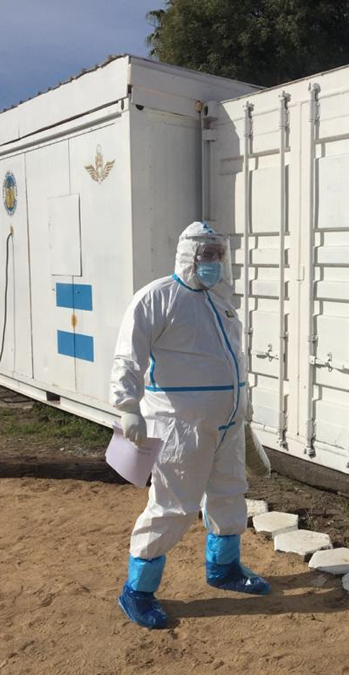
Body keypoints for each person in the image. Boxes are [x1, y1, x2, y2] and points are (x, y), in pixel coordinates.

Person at [110, 221, 269, 630]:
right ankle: (138, 590)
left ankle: (224, 568)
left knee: (229, 493)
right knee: (173, 505)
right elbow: (128, 356)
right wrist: (128, 406)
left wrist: (243, 408)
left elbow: (234, 360)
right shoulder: (156, 298)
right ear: (188, 255)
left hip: (228, 424)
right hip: (180, 426)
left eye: (219, 254)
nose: (214, 262)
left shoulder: (221, 301)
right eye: (206, 254)